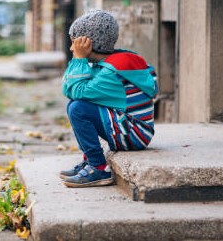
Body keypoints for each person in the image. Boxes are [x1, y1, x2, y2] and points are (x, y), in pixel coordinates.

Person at [61, 10, 158, 188]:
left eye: (74, 42)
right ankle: (89, 160)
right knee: (74, 105)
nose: (71, 48)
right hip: (131, 128)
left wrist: (78, 60)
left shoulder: (111, 73)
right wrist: (80, 61)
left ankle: (98, 167)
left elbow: (74, 89)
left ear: (87, 43)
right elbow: (69, 88)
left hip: (134, 134)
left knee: (78, 108)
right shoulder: (109, 64)